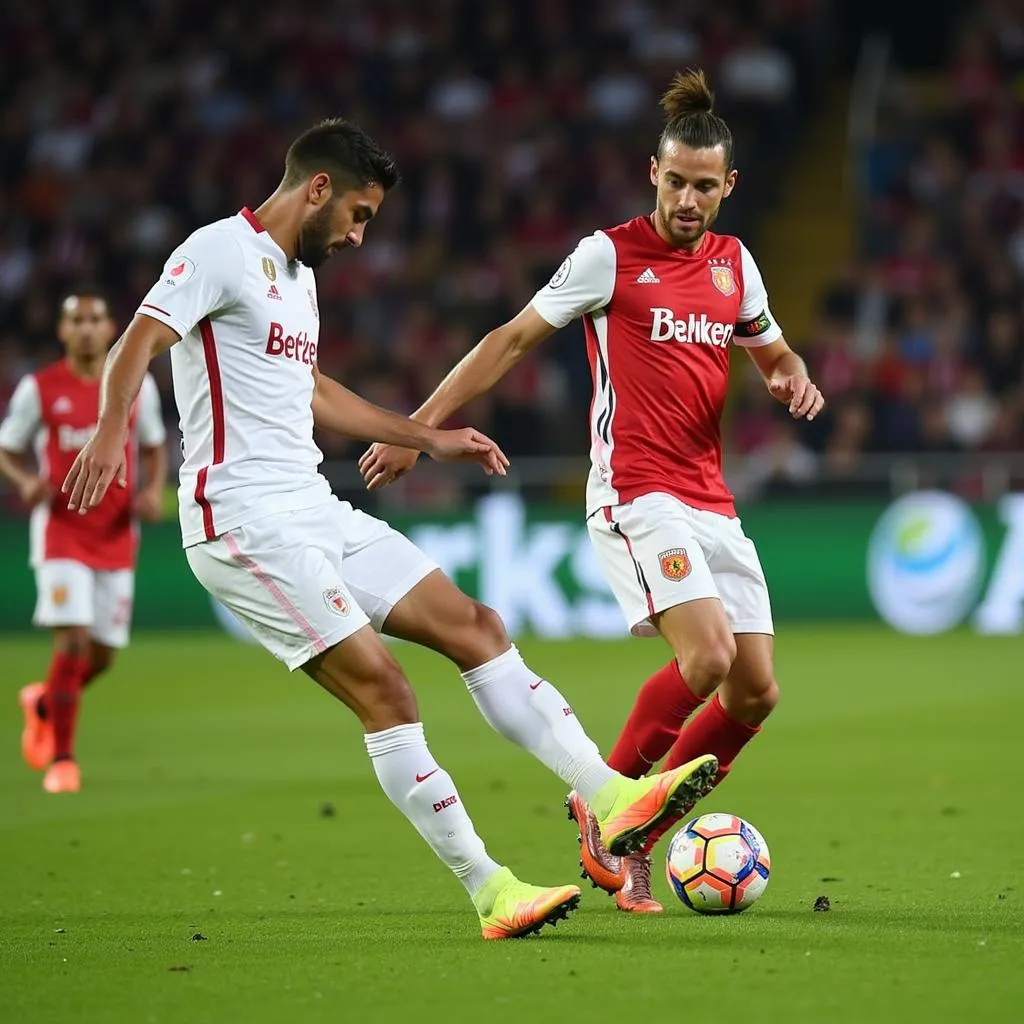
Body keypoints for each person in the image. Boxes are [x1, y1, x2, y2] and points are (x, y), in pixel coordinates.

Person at [62, 118, 718, 940]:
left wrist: (425, 434)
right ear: (319, 189)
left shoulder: (296, 278)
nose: (361, 235)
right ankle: (490, 889)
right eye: (360, 215)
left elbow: (312, 391)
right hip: (239, 522)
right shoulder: (215, 252)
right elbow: (137, 341)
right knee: (386, 690)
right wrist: (109, 426)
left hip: (310, 505)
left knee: (476, 626)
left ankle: (612, 798)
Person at [359, 70, 825, 912]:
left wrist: (792, 378)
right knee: (708, 656)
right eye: (676, 181)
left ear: (730, 187)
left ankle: (636, 831)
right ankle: (601, 800)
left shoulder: (734, 265)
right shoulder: (608, 255)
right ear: (654, 171)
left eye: (705, 186)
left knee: (756, 688)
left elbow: (773, 353)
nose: (688, 199)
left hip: (711, 497)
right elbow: (509, 341)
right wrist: (416, 430)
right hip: (636, 489)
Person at [0, 293, 167, 794]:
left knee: (101, 655)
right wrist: (26, 480)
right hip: (61, 532)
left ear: (112, 325)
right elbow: (6, 447)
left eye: (97, 319)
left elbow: (155, 446)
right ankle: (63, 759)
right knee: (71, 641)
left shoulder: (137, 387)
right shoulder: (41, 387)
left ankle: (45, 701)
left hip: (117, 535)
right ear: (63, 331)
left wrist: (153, 489)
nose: (89, 329)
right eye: (78, 321)